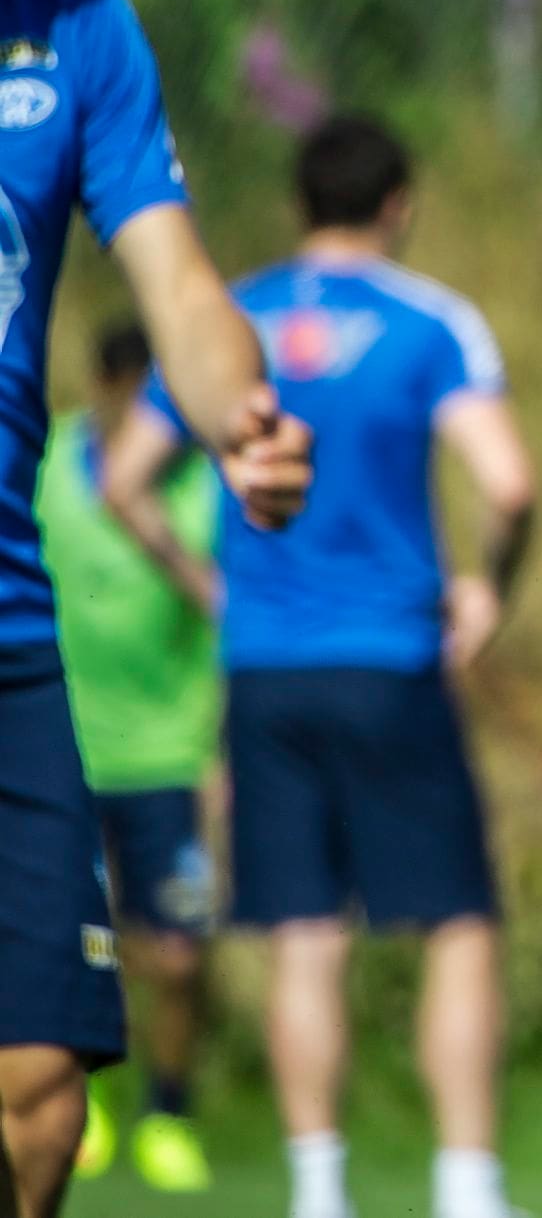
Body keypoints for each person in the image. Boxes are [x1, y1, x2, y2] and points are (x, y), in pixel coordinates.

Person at [0, 0, 313, 1218]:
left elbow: (179, 285)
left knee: (39, 1102)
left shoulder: (79, 28)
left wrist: (241, 417)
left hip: (9, 634)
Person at [106, 115, 537, 1218]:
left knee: (304, 933)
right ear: (398, 204)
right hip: (391, 659)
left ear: (301, 202)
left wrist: (210, 587)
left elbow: (126, 479)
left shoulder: (227, 320)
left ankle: (317, 1190)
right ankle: (467, 1188)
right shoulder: (430, 322)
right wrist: (490, 586)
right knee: (456, 923)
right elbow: (508, 485)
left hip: (265, 669)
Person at [43, 321, 223, 1194]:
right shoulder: (45, 467)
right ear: (105, 386)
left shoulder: (202, 482)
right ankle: (86, 1099)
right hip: (63, 747)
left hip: (171, 754)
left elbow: (230, 614)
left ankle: (169, 1112)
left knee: (178, 953)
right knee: (80, 943)